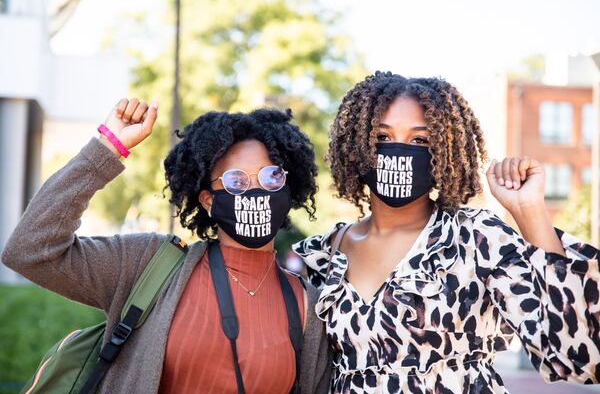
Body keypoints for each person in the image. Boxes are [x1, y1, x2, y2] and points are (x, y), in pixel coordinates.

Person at [292, 72, 600, 393]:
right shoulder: (323, 256)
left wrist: (529, 211)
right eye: (381, 137)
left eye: (420, 140)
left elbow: (580, 360)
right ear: (356, 147)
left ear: (444, 153)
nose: (398, 151)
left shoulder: (476, 238)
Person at [1, 98, 332, 393]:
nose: (256, 191)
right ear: (208, 201)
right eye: (236, 181)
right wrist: (107, 148)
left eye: (271, 176)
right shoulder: (148, 265)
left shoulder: (309, 307)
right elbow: (30, 249)